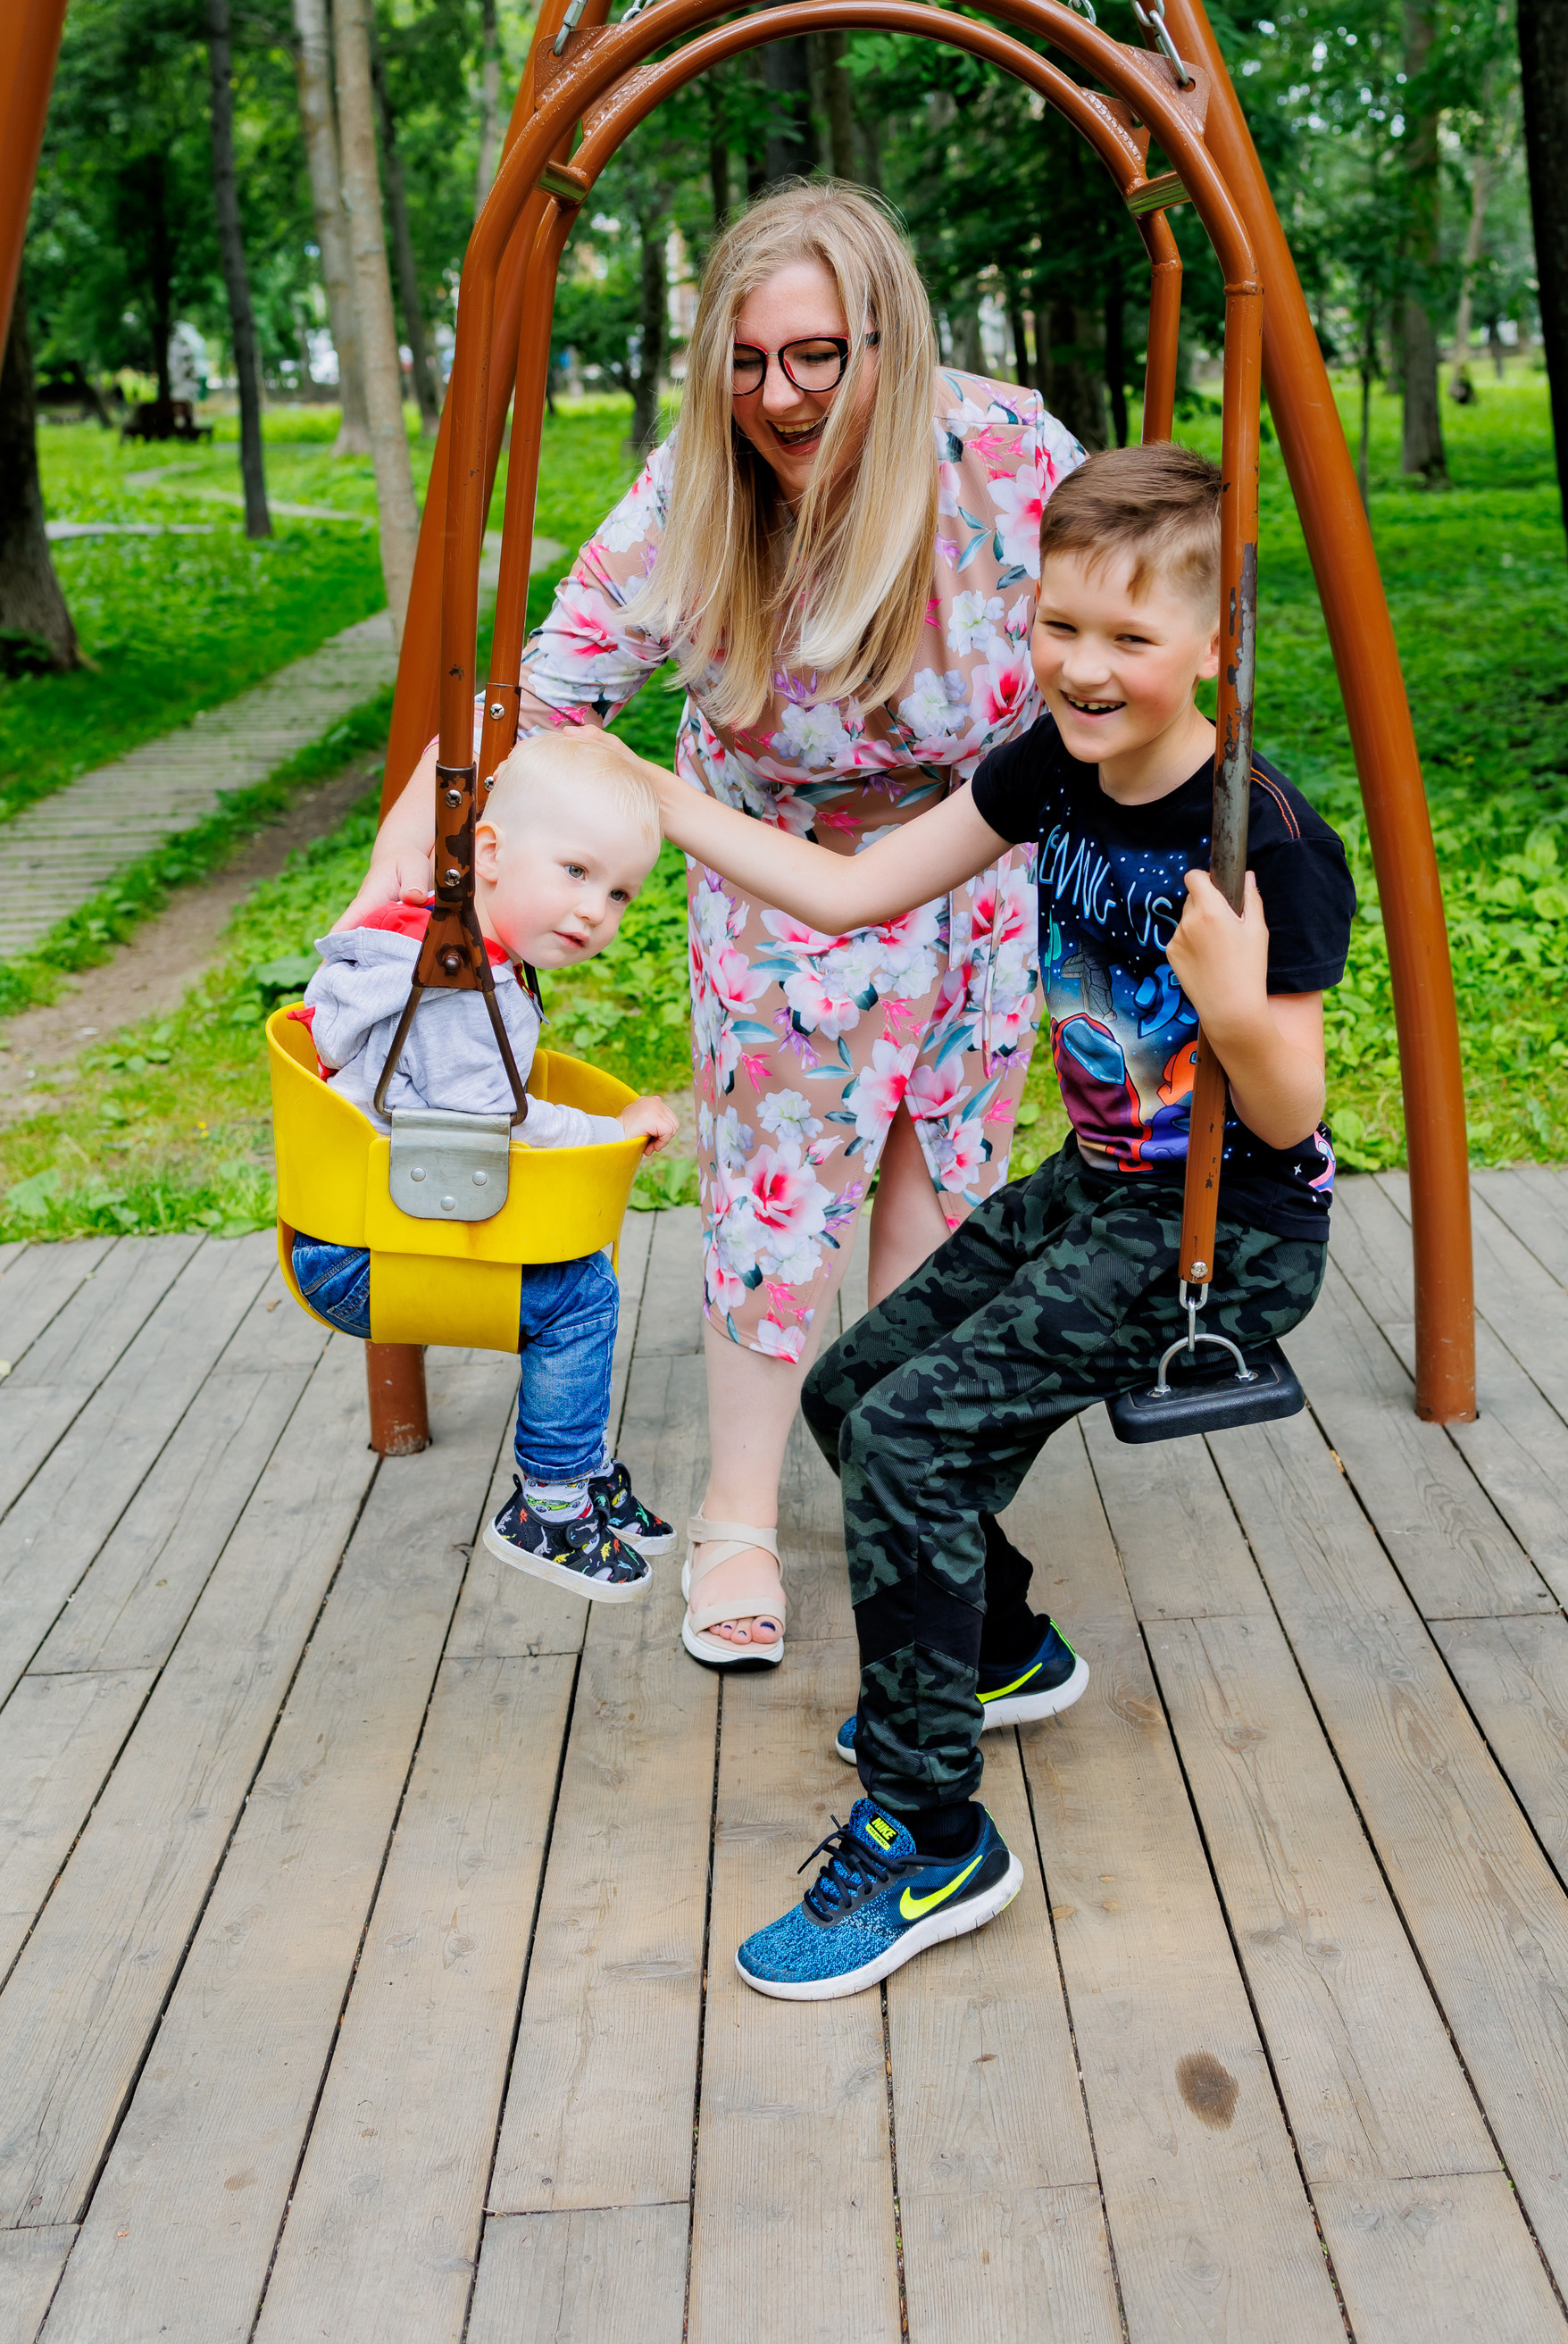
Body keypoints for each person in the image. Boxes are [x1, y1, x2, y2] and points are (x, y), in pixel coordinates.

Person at [601, 441, 1355, 1997]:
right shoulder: (1048, 771)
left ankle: (928, 1831)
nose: (1083, 668)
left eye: (1130, 639)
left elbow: (1288, 1120)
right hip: (1103, 1184)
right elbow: (853, 893)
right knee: (849, 1389)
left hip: (1225, 1230)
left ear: (1214, 645)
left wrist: (1240, 1006)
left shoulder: (1260, 837)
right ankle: (998, 1647)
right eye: (1061, 625)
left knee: (916, 1440)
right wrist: (667, 800)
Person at [338, 181, 1086, 1663]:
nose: (779, 394)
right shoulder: (697, 492)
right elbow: (542, 697)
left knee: (938, 1198)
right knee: (770, 1207)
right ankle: (741, 1518)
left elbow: (1132, 624)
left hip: (978, 870)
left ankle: (906, 1499)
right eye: (747, 363)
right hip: (771, 869)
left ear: (895, 339)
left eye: (816, 355)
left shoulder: (1010, 456)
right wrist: (388, 905)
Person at [293, 727, 681, 1602]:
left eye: (618, 892)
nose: (595, 911)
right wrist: (612, 1132)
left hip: (366, 1217)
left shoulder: (434, 929)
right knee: (580, 1297)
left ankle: (576, 1472)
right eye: (576, 873)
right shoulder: (453, 980)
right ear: (493, 854)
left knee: (579, 1274)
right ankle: (548, 1501)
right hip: (365, 1254)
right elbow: (488, 1124)